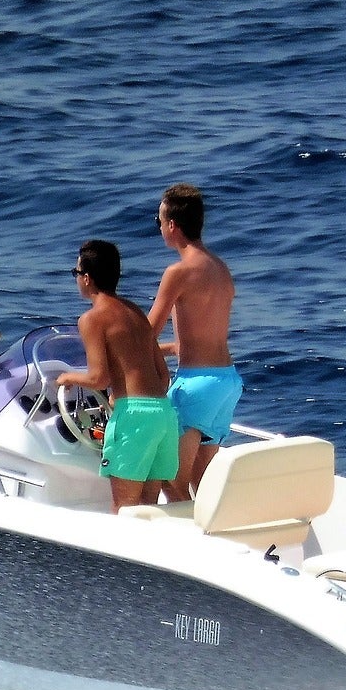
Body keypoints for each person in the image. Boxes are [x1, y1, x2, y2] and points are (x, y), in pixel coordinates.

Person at [59, 240, 178, 512]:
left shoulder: (91, 319)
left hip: (134, 417)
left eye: (76, 273)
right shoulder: (135, 312)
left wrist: (68, 378)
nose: (77, 279)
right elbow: (163, 376)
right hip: (163, 414)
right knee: (149, 508)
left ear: (87, 279)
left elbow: (98, 379)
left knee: (124, 507)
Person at [147, 182, 239, 501]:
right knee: (201, 483)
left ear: (172, 226)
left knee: (171, 481)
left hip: (196, 385)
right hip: (225, 382)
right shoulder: (220, 269)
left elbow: (147, 334)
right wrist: (170, 348)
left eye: (159, 221)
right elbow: (195, 338)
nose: (159, 227)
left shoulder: (179, 272)